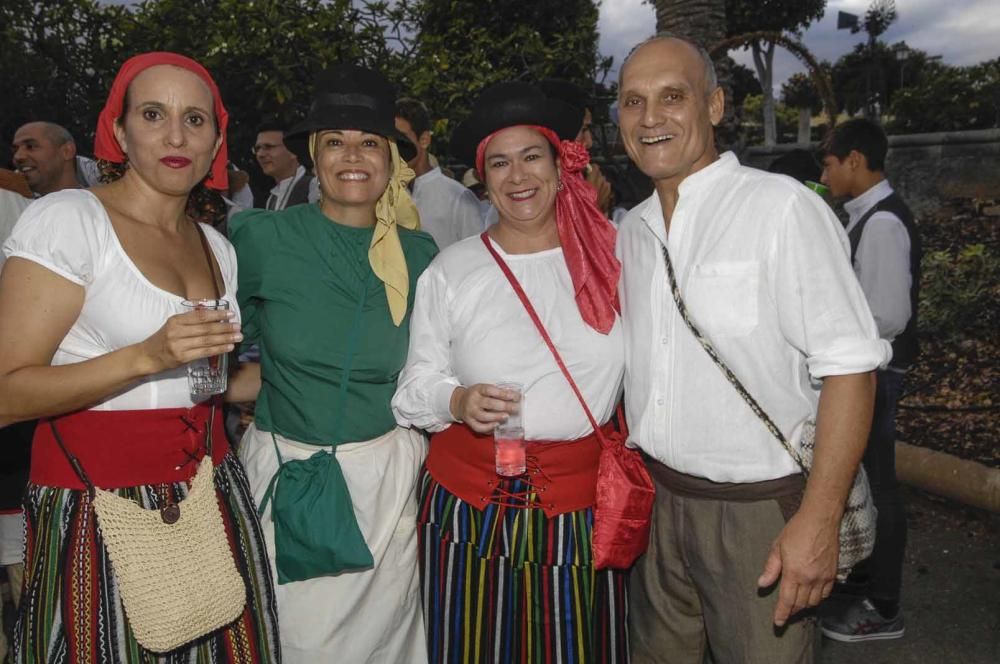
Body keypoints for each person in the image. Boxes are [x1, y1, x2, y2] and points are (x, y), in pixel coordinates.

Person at [615, 35, 890, 663]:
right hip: (657, 508)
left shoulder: (782, 209)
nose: (651, 118)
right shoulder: (629, 231)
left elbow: (851, 369)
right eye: (633, 102)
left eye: (672, 97)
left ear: (714, 105)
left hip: (759, 516)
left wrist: (817, 524)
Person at [0, 52, 279, 662]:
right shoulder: (70, 220)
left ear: (215, 144)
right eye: (154, 114)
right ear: (120, 133)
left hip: (210, 491)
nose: (176, 135)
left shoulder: (214, 246)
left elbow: (200, 386)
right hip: (96, 503)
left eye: (196, 120)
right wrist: (146, 354)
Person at [393, 81, 628, 663]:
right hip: (470, 507)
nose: (517, 176)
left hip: (580, 513)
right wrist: (457, 401)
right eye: (499, 162)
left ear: (559, 164)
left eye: (531, 157)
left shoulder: (614, 257)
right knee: (473, 647)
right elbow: (412, 388)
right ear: (482, 177)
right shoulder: (453, 270)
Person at [229, 64, 437, 663]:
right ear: (315, 158)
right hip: (287, 475)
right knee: (292, 641)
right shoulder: (261, 238)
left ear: (394, 159)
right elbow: (207, 355)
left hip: (386, 485)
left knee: (386, 642)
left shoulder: (421, 256)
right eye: (335, 142)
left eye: (370, 142)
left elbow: (433, 373)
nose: (353, 156)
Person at [818, 117, 919, 642]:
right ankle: (863, 587)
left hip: (876, 372)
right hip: (869, 370)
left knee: (879, 485)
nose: (826, 174)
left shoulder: (880, 223)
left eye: (830, 163)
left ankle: (883, 607)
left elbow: (887, 314)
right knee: (865, 481)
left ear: (855, 160)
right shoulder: (864, 217)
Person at [395, 97, 483, 249]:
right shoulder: (384, 195)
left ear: (424, 140)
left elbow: (479, 256)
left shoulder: (458, 198)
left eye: (402, 140)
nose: (395, 149)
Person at [253, 122, 315, 210]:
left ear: (292, 150)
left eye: (268, 147)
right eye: (257, 148)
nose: (260, 154)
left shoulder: (314, 187)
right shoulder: (272, 198)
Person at [11, 122, 84, 196]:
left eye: (30, 146)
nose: (18, 156)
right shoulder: (13, 203)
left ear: (67, 151)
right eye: (15, 150)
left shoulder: (91, 204)